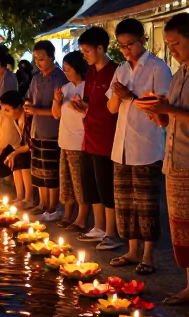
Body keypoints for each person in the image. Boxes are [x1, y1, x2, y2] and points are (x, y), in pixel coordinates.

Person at [136, 11, 189, 313]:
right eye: (169, 45)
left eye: (176, 43)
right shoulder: (179, 75)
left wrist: (169, 109)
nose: (173, 51)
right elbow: (172, 120)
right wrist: (158, 114)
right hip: (176, 162)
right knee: (183, 230)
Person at [106, 17, 172, 273]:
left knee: (146, 205)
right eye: (122, 46)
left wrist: (130, 97)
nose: (126, 51)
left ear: (143, 40)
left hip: (146, 145)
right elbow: (112, 107)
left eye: (130, 44)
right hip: (121, 146)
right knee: (125, 204)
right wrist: (118, 97)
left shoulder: (158, 68)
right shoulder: (121, 69)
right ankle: (132, 251)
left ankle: (148, 256)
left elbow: (161, 108)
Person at [72, 26, 120, 250]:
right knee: (91, 185)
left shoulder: (115, 72)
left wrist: (90, 109)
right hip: (89, 135)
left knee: (106, 186)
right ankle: (99, 226)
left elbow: (113, 108)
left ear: (101, 48)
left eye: (87, 51)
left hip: (107, 138)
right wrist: (82, 107)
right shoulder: (90, 73)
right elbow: (90, 103)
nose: (84, 56)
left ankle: (111, 232)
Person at [24, 39, 64, 219]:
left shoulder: (60, 78)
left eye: (41, 59)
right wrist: (27, 105)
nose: (38, 63)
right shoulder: (36, 78)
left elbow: (60, 110)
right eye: (36, 59)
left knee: (50, 172)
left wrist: (36, 110)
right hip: (36, 129)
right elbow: (29, 98)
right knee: (38, 171)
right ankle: (42, 204)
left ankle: (52, 207)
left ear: (51, 57)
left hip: (52, 131)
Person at [52, 50, 90, 230]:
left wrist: (83, 108)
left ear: (78, 68)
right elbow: (56, 115)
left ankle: (81, 219)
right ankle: (68, 215)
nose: (65, 72)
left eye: (68, 69)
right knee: (66, 181)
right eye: (64, 69)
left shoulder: (86, 87)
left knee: (80, 183)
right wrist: (57, 101)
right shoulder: (66, 89)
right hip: (64, 141)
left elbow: (90, 114)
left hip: (79, 142)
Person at [0, 90, 33, 203]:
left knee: (20, 158)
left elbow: (30, 144)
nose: (4, 113)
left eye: (7, 110)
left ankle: (28, 198)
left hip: (35, 149)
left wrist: (14, 152)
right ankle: (19, 196)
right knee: (15, 157)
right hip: (23, 148)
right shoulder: (15, 119)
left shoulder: (28, 117)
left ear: (19, 107)